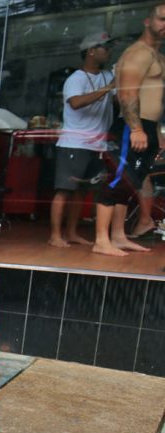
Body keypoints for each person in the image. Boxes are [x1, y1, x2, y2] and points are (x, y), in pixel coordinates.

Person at [93, 4, 165, 257]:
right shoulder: (138, 53)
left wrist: (153, 131)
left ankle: (118, 236)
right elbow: (127, 94)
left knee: (128, 184)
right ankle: (101, 240)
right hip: (131, 126)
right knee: (115, 182)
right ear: (148, 21)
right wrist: (136, 128)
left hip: (147, 126)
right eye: (162, 19)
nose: (164, 25)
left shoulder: (157, 56)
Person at [49, 32, 115, 248]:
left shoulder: (107, 75)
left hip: (97, 144)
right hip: (74, 143)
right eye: (104, 47)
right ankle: (55, 235)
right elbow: (76, 103)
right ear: (90, 51)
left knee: (81, 192)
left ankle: (71, 233)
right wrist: (108, 88)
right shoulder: (75, 79)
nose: (108, 51)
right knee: (64, 190)